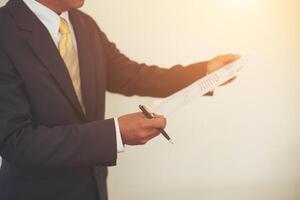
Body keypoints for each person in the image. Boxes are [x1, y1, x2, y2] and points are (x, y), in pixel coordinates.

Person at [0, 0, 239, 199]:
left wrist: (203, 73)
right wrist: (114, 134)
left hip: (93, 189)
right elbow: (15, 141)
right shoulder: (4, 31)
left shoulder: (84, 24)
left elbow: (130, 76)